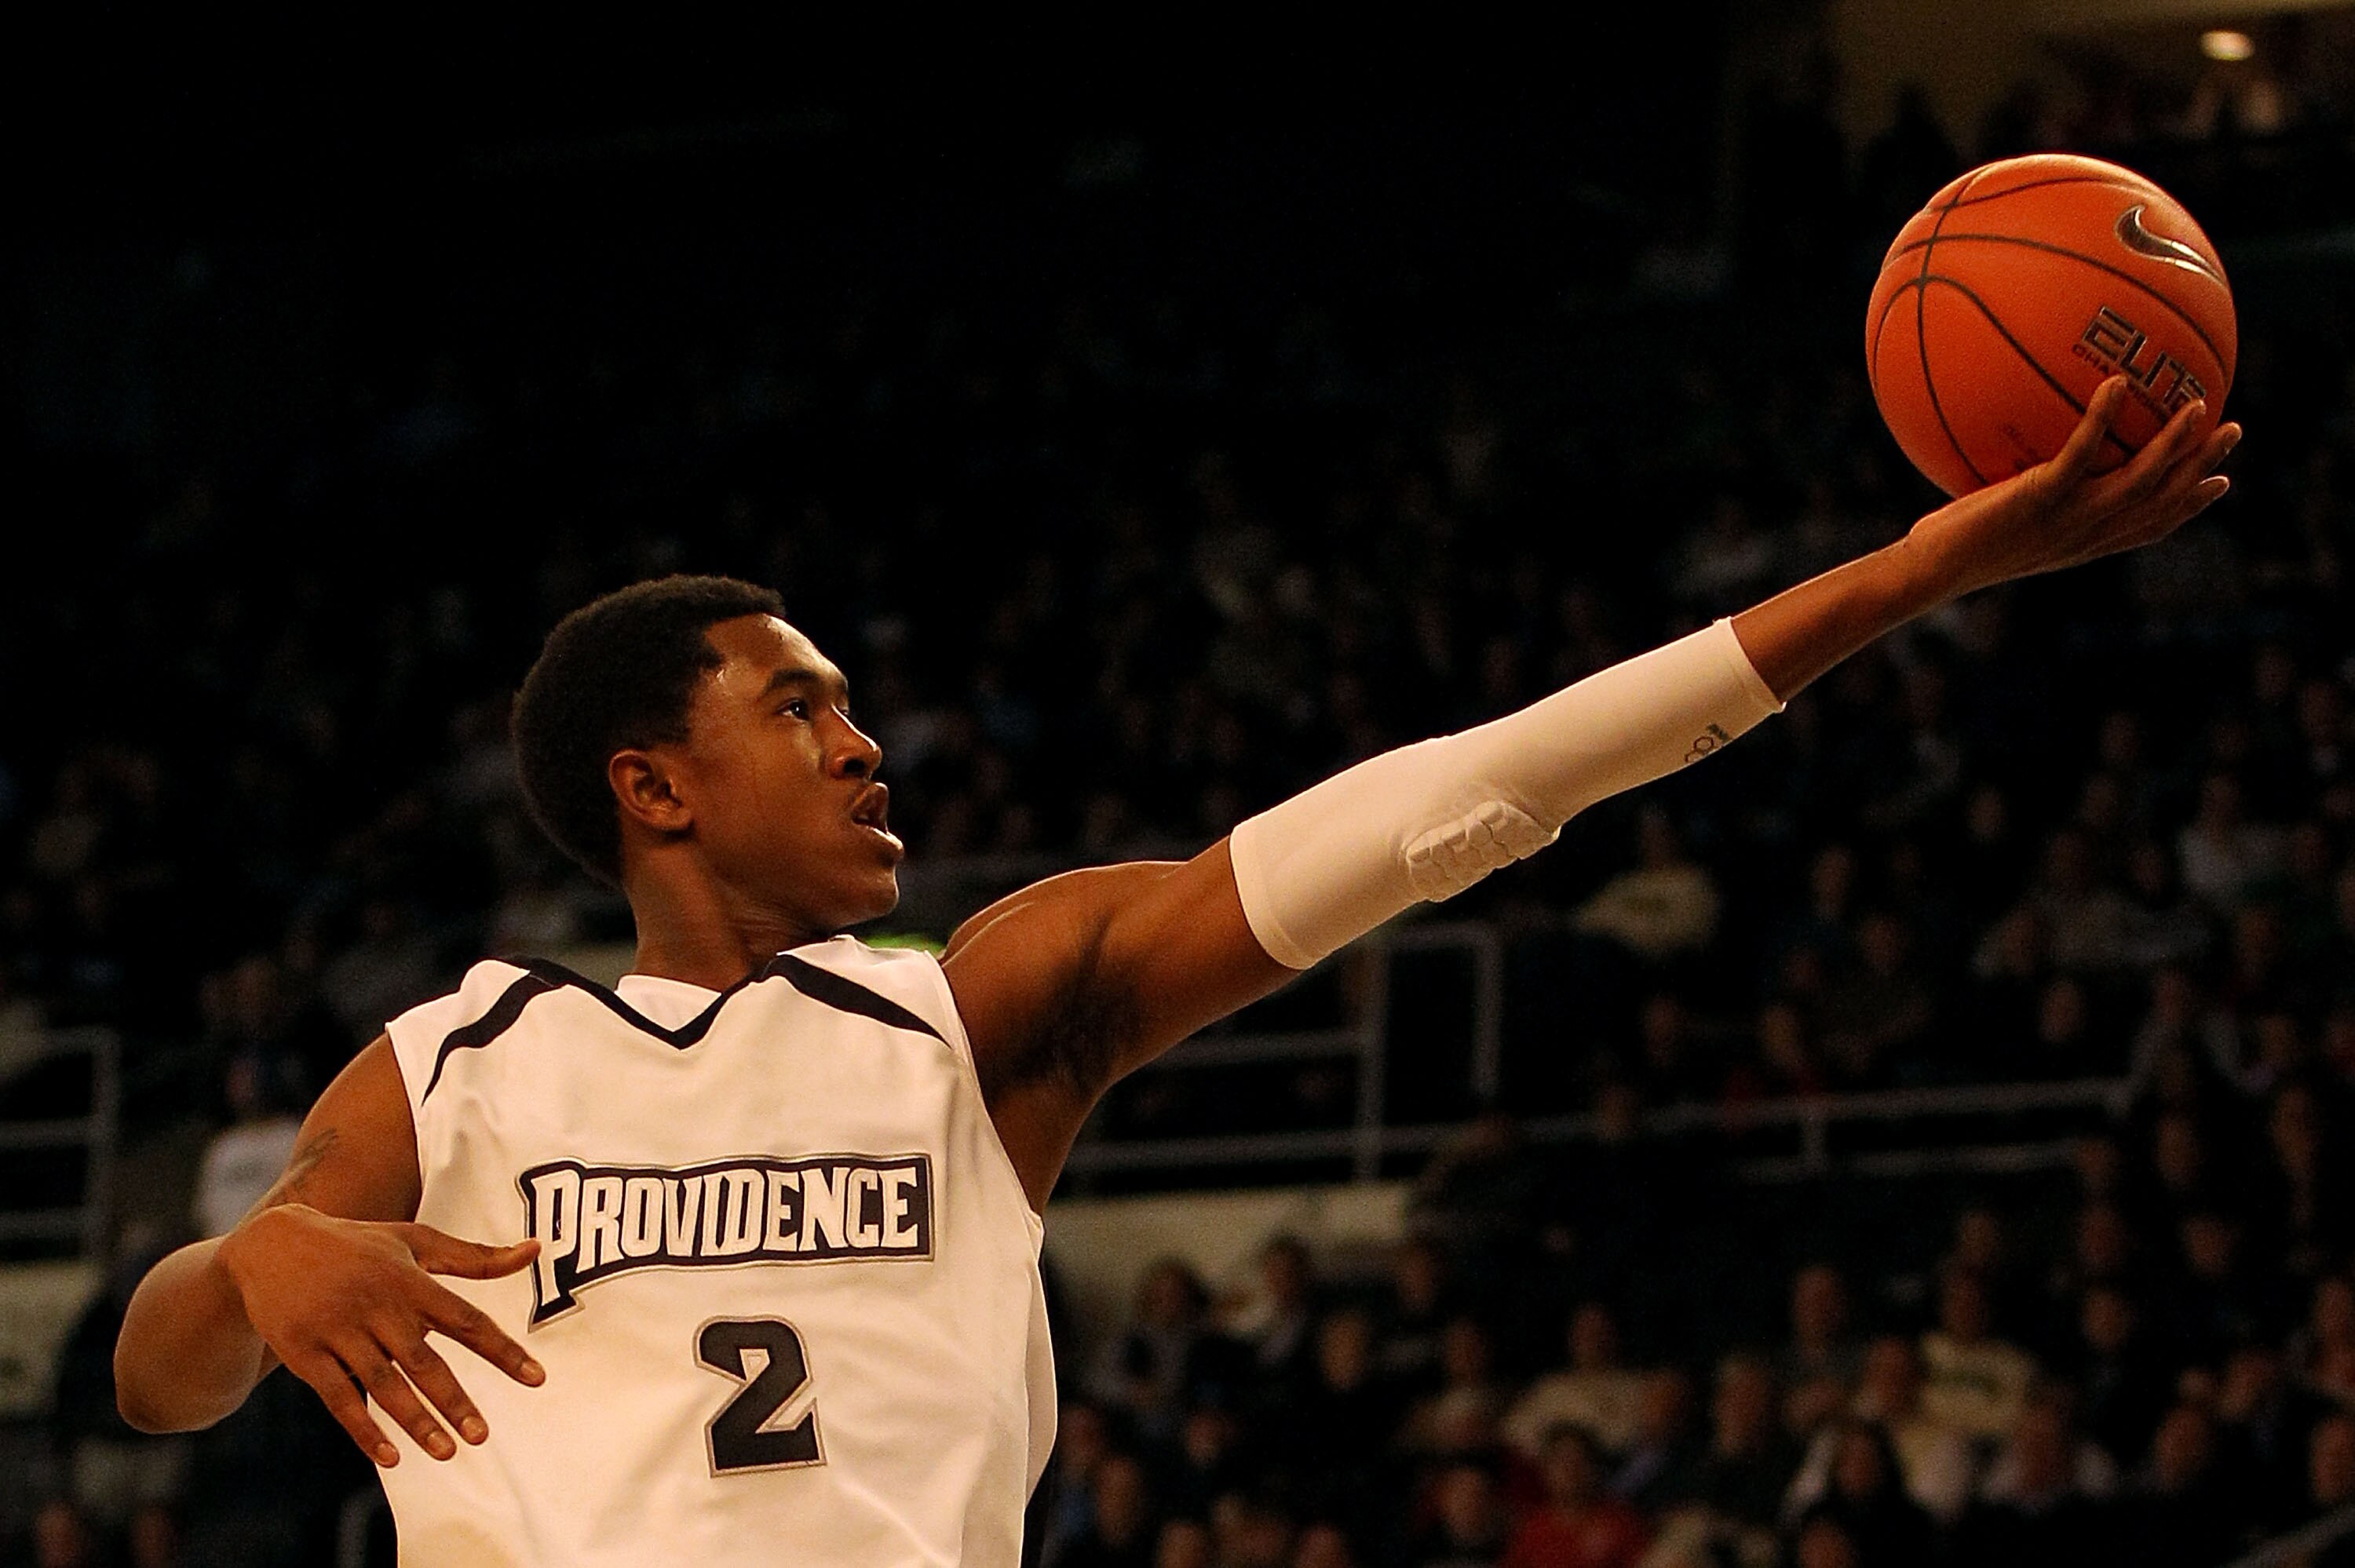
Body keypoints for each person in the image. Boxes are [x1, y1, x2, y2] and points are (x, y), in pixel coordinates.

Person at [109, 381, 2237, 1564]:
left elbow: (1452, 804)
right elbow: (161, 1379)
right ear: (653, 786)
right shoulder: (466, 1056)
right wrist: (254, 1265)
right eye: (801, 706)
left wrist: (1912, 574)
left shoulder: (979, 1006)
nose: (866, 742)